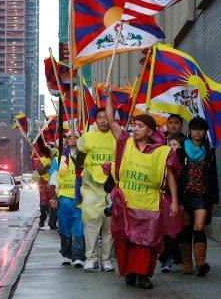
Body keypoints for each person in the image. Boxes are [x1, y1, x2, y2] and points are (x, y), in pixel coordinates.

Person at [103, 85, 181, 289]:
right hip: (126, 202)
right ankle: (129, 272)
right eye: (134, 125)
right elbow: (111, 121)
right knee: (126, 239)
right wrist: (109, 97)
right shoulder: (125, 142)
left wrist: (174, 201)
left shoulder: (163, 152)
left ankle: (143, 275)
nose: (135, 128)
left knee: (147, 242)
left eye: (140, 126)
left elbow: (171, 177)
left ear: (150, 131)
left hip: (149, 203)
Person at [74, 108, 116, 272]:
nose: (103, 121)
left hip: (111, 187)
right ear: (95, 120)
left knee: (109, 225)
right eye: (99, 118)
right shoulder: (88, 137)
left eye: (106, 118)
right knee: (91, 224)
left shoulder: (117, 137)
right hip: (91, 187)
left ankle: (106, 260)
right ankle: (90, 258)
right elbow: (79, 159)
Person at [177, 117, 219, 277]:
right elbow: (174, 174)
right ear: (190, 131)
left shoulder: (210, 152)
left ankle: (200, 264)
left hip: (202, 195)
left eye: (201, 129)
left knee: (199, 227)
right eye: (195, 129)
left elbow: (214, 176)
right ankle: (187, 263)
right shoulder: (181, 151)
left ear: (205, 132)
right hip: (184, 195)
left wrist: (215, 200)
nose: (197, 132)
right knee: (186, 228)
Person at [48, 132, 86, 267]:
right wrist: (53, 196)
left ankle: (79, 256)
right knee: (64, 226)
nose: (72, 140)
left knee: (79, 227)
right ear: (66, 140)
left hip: (80, 198)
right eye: (69, 137)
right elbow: (54, 177)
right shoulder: (59, 158)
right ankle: (66, 254)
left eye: (75, 137)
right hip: (64, 199)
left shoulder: (84, 155)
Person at [158, 116, 187, 273]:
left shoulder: (187, 152)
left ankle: (181, 257)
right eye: (170, 145)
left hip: (184, 196)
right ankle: (166, 259)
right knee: (168, 229)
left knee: (180, 229)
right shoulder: (161, 149)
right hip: (167, 197)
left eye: (175, 145)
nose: (172, 147)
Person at [33, 155, 52, 228]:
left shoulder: (56, 159)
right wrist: (47, 166)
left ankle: (52, 221)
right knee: (44, 202)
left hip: (53, 183)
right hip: (43, 184)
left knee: (53, 202)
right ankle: (42, 218)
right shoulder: (41, 160)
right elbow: (38, 172)